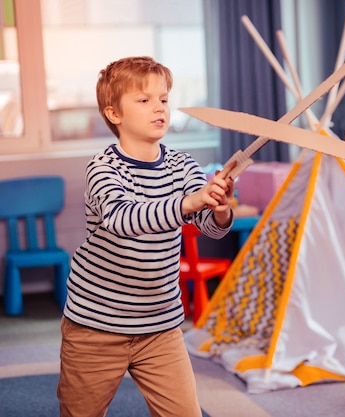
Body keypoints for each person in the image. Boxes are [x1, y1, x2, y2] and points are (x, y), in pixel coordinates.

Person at [56, 56, 235, 416]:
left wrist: (219, 208)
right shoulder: (103, 168)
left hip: (161, 326)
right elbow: (123, 219)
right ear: (114, 114)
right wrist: (188, 202)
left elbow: (209, 226)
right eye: (144, 100)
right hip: (96, 326)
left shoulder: (183, 166)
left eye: (164, 99)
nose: (160, 108)